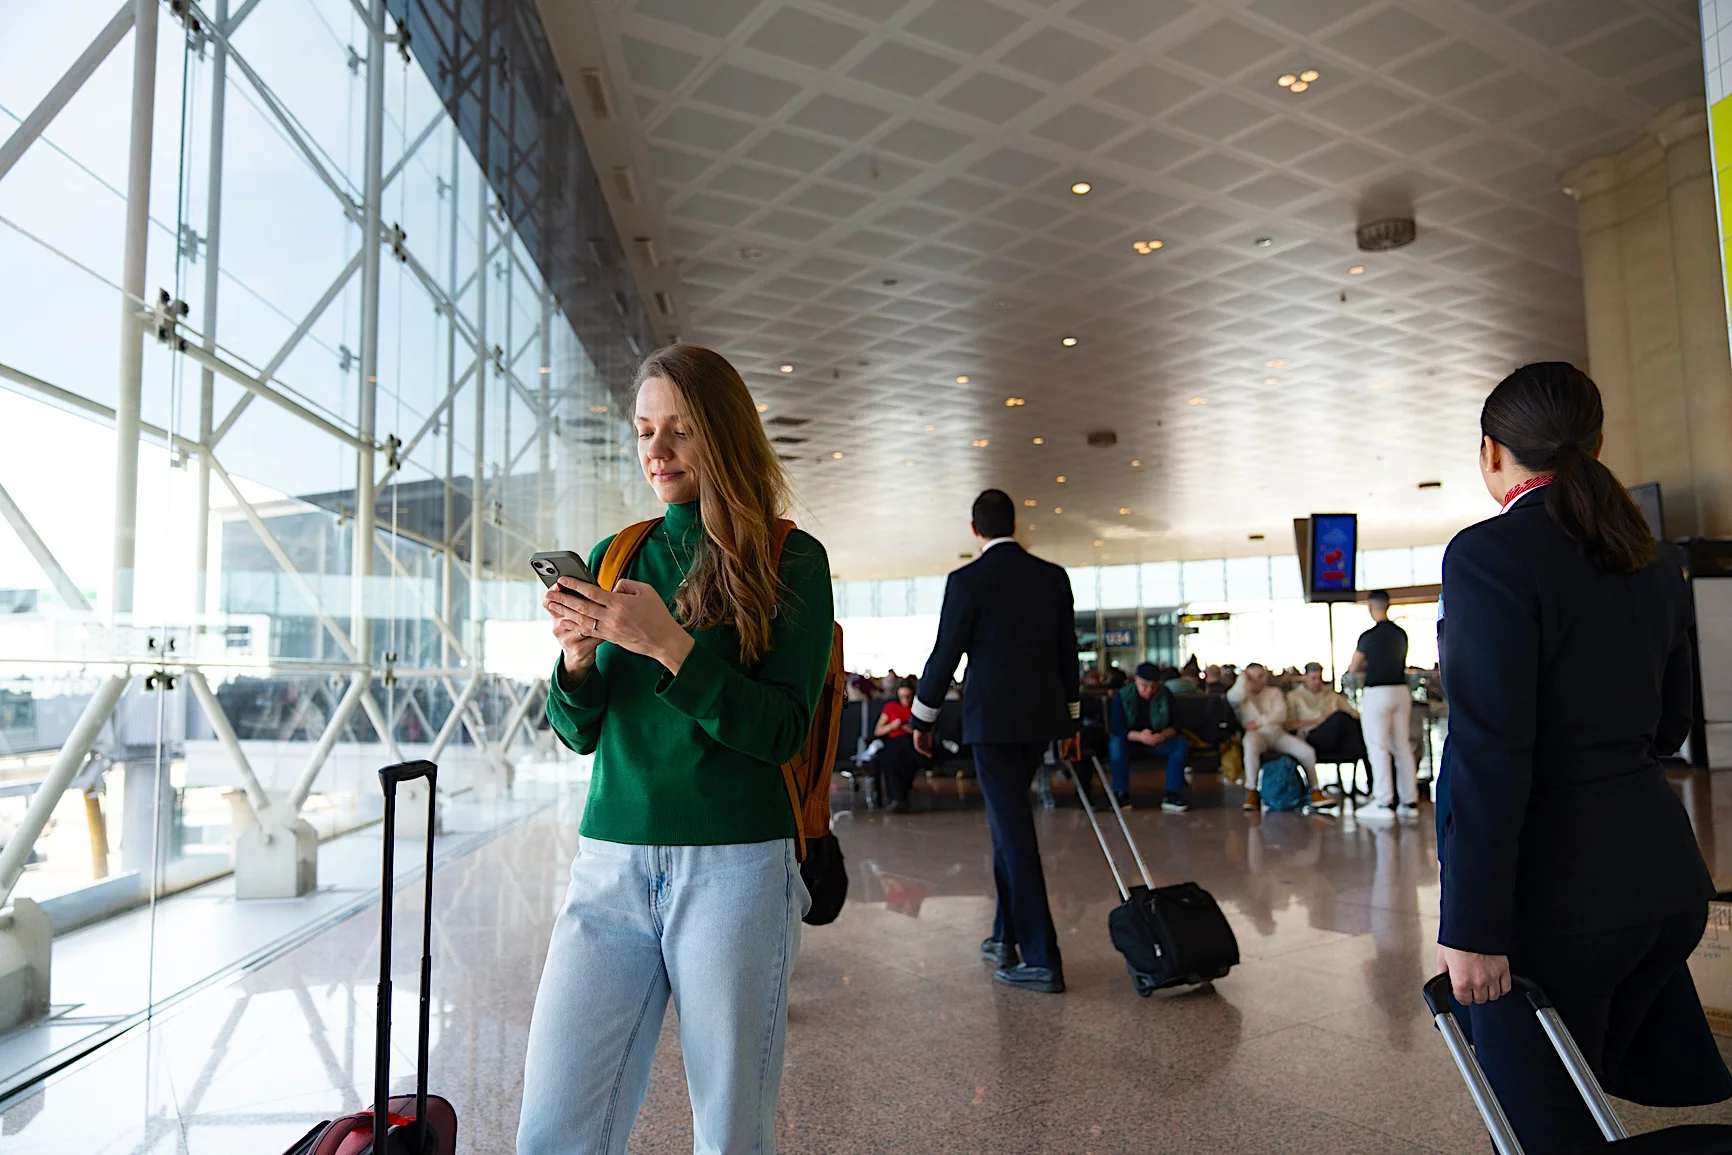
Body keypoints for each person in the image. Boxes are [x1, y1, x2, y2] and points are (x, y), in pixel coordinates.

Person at [519, 344, 834, 1155]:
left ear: (724, 436)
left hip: (735, 870)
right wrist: (578, 660)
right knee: (553, 1127)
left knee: (729, 1131)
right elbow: (578, 728)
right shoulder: (617, 553)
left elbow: (781, 732)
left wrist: (670, 646)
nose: (655, 450)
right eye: (644, 429)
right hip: (608, 864)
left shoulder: (789, 557)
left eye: (680, 430)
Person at [1436, 361, 1730, 1151]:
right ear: (1595, 443)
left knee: (1546, 1128)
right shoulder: (1654, 557)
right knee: (1580, 1092)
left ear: (1493, 452)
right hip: (1661, 881)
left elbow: (1490, 755)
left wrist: (1471, 925)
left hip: (1555, 898)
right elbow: (1670, 723)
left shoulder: (1488, 556)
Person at [911, 489, 1079, 995]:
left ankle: (1042, 957)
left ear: (974, 528)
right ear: (1015, 522)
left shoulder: (967, 581)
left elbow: (947, 653)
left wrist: (923, 718)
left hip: (992, 727)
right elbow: (1067, 655)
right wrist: (1070, 723)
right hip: (1039, 723)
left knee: (1015, 835)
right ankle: (1004, 937)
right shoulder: (1052, 576)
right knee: (1008, 830)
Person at [1227, 663, 1337, 812]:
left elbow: (1281, 715)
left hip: (1277, 734)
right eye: (1258, 677)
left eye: (1263, 675)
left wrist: (1258, 722)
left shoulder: (1274, 692)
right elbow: (1233, 697)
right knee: (1250, 743)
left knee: (1306, 751)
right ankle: (1252, 791)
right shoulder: (1241, 696)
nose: (1263, 679)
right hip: (1257, 735)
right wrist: (1243, 679)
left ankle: (1315, 791)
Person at [1350, 590, 1420, 820]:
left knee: (1378, 747)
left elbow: (1354, 667)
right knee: (1402, 745)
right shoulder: (1401, 634)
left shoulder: (1367, 637)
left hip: (1377, 693)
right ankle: (1410, 801)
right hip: (1400, 691)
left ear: (1371, 608)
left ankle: (1383, 802)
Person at [1109, 662, 1191, 812]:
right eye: (1144, 686)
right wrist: (1139, 736)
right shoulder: (1123, 696)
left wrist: (1164, 734)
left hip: (1159, 741)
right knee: (1116, 744)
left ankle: (1172, 795)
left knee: (1180, 744)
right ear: (1135, 680)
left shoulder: (1165, 695)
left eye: (1153, 686)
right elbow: (1116, 728)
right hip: (1132, 743)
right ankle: (1121, 794)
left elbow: (1177, 724)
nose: (1149, 690)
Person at [1286, 662, 1365, 766]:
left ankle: (1373, 777)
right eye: (1313, 678)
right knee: (1339, 718)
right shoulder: (1294, 697)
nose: (1317, 682)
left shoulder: (1331, 695)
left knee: (1363, 733)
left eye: (1319, 678)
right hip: (1312, 735)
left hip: (1337, 736)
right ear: (1305, 677)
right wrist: (1318, 720)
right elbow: (1289, 725)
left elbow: (1353, 713)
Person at [873, 680, 923, 813]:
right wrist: (893, 726)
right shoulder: (890, 707)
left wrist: (910, 730)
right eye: (902, 697)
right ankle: (897, 798)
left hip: (910, 741)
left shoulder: (917, 708)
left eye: (908, 696)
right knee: (892, 759)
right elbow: (878, 731)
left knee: (907, 758)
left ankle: (899, 798)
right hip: (893, 740)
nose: (905, 700)